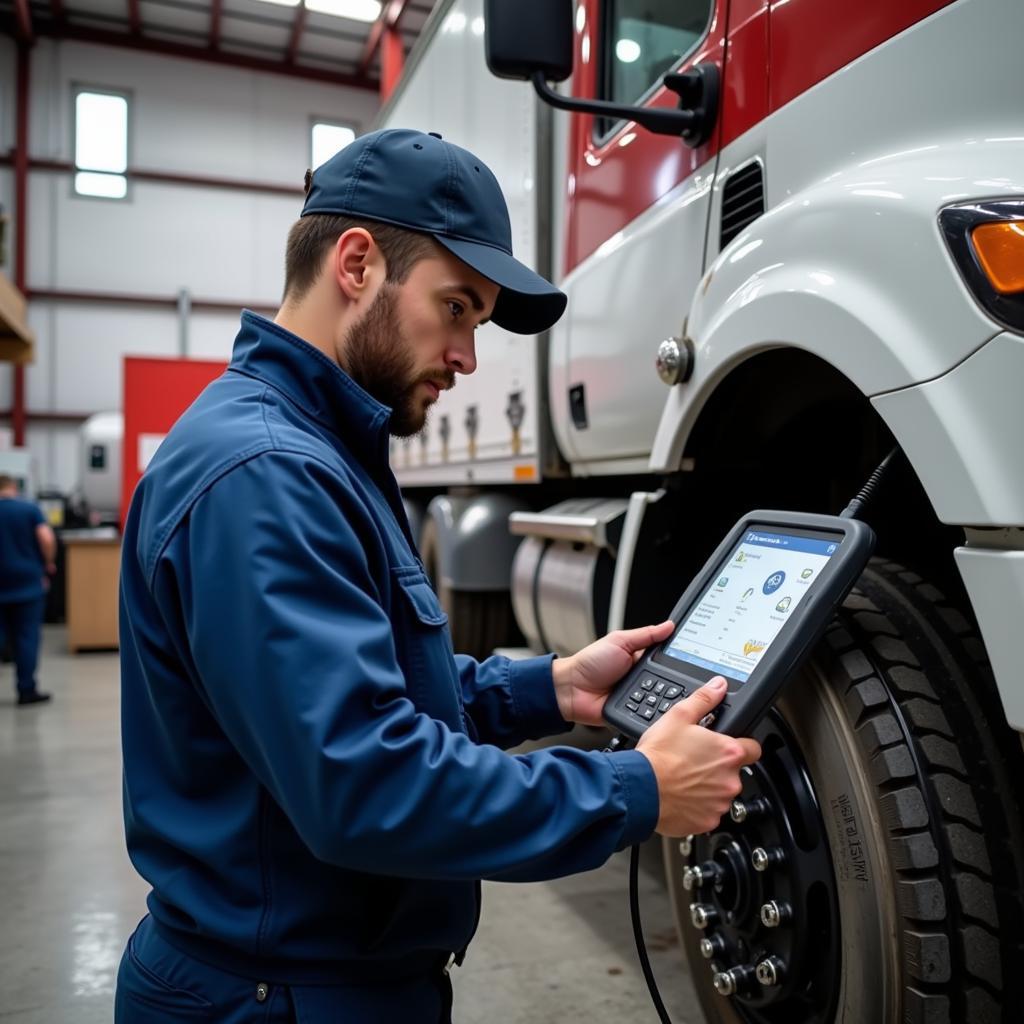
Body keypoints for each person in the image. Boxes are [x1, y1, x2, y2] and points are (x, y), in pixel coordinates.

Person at [115, 129, 761, 1023]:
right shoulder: (266, 474)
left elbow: (365, 688)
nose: (467, 355)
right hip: (277, 1000)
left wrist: (550, 687)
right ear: (356, 265)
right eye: (456, 308)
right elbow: (365, 785)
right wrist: (638, 791)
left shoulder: (314, 452)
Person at [0, 473, 55, 706]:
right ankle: (26, 690)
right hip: (27, 581)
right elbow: (46, 538)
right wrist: (48, 563)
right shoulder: (29, 509)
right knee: (26, 636)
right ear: (13, 487)